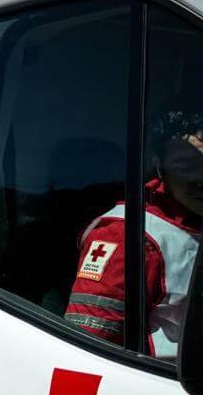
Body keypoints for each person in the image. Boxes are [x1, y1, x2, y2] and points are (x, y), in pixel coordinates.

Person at [65, 110, 203, 357]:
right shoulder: (128, 235)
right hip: (161, 382)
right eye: (186, 166)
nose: (200, 178)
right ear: (160, 167)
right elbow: (86, 350)